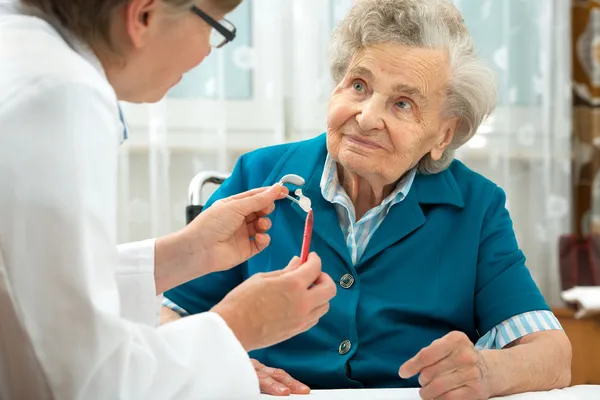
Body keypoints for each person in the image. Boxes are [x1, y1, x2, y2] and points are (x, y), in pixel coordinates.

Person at [162, 0, 573, 399]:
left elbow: (552, 355)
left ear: (444, 134)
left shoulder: (477, 207)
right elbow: (166, 313)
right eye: (359, 86)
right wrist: (224, 362)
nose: (367, 116)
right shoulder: (259, 174)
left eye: (402, 103)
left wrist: (485, 371)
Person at [0, 0, 336, 398]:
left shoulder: (25, 56)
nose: (210, 50)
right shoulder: (60, 95)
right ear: (143, 15)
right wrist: (239, 326)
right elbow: (83, 382)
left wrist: (185, 253)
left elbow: (31, 286)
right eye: (215, 27)